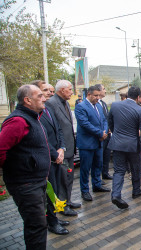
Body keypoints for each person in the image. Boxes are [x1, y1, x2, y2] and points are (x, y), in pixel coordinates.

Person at [0, 85, 50, 249]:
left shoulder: (33, 117)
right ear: (27, 100)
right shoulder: (18, 121)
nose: (44, 98)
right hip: (26, 184)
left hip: (36, 182)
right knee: (36, 226)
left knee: (39, 223)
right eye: (39, 96)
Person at [31, 80, 70, 235]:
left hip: (56, 155)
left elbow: (58, 129)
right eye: (45, 90)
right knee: (48, 192)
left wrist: (62, 148)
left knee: (53, 189)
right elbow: (42, 137)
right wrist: (55, 153)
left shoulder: (48, 108)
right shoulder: (35, 113)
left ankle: (53, 217)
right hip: (46, 159)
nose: (49, 93)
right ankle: (51, 223)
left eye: (51, 91)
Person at [108, 86, 141, 209]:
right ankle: (136, 191)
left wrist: (116, 134)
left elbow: (109, 122)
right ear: (138, 97)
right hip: (132, 145)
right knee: (135, 168)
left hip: (117, 144)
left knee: (119, 170)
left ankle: (116, 194)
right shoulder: (139, 110)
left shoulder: (115, 105)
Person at [46, 80, 79, 216]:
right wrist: (60, 148)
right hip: (61, 149)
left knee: (69, 176)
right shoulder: (51, 103)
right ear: (61, 90)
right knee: (62, 179)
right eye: (70, 89)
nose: (72, 92)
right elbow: (55, 129)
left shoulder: (65, 102)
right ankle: (62, 206)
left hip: (70, 147)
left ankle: (68, 200)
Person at [75, 85, 110, 201]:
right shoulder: (81, 107)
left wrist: (104, 131)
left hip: (99, 142)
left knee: (98, 165)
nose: (98, 98)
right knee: (85, 168)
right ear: (89, 95)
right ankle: (85, 191)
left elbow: (104, 120)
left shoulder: (98, 106)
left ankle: (97, 185)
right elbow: (85, 124)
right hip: (87, 143)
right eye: (96, 95)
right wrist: (100, 133)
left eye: (99, 95)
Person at [95, 84, 113, 180]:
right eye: (104, 89)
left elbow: (107, 118)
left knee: (106, 155)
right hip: (101, 135)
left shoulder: (104, 104)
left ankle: (105, 173)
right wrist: (103, 131)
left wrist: (109, 128)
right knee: (99, 157)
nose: (105, 91)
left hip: (108, 134)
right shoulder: (96, 104)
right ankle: (98, 178)